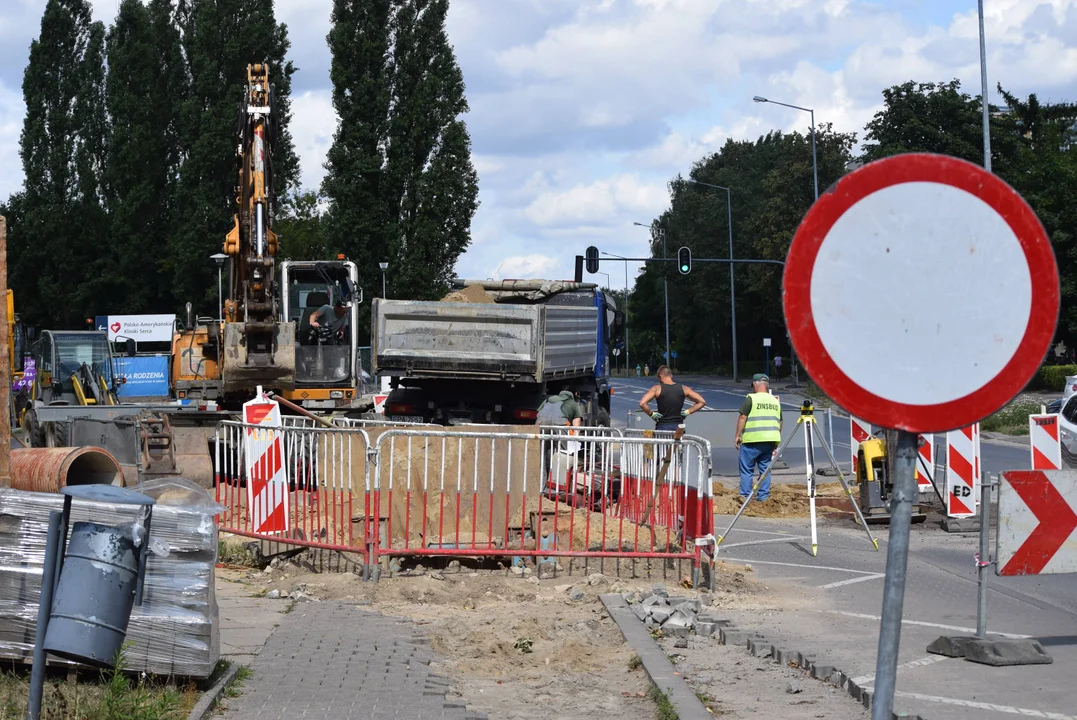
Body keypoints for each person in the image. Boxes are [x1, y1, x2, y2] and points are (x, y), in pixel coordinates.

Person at [734, 373, 782, 502]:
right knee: (765, 470)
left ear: (755, 384)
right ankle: (763, 497)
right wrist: (776, 438)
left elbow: (742, 417)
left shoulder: (751, 398)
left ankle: (745, 497)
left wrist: (738, 435)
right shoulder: (775, 401)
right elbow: (780, 421)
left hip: (752, 440)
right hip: (770, 440)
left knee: (746, 469)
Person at [638, 366, 706, 432]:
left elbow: (642, 403)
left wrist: (651, 414)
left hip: (663, 426)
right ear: (671, 375)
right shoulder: (684, 389)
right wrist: (687, 412)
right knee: (678, 443)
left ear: (661, 375)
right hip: (679, 427)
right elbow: (702, 402)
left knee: (663, 443)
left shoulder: (657, 389)